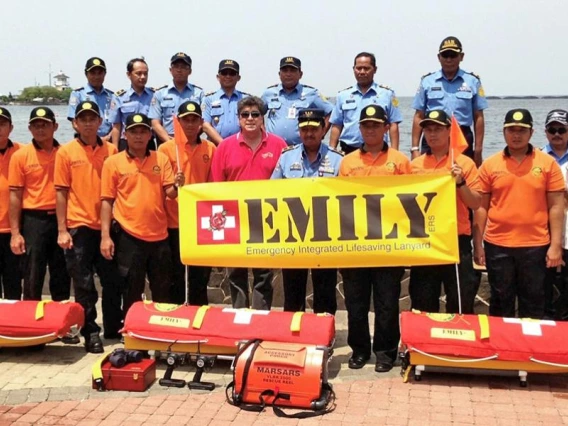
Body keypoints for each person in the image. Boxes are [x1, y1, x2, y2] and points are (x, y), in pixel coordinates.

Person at [338, 105, 411, 373]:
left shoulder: (401, 161)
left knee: (386, 303)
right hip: (355, 245)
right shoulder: (347, 162)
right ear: (360, 129)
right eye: (366, 125)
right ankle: (359, 350)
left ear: (385, 128)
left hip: (388, 245)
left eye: (376, 125)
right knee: (355, 304)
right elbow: (337, 203)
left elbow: (410, 202)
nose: (370, 130)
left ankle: (385, 352)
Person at [473, 109, 565, 319]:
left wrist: (555, 246)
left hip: (536, 245)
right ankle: (501, 349)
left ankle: (531, 351)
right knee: (500, 302)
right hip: (498, 245)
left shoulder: (547, 163)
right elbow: (481, 207)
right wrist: (478, 245)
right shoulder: (490, 164)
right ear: (504, 132)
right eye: (511, 130)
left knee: (534, 304)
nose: (516, 135)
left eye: (522, 130)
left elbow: (556, 207)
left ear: (531, 133)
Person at [55, 101, 121, 352]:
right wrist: (62, 229)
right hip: (78, 226)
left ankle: (114, 326)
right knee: (83, 284)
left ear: (100, 121)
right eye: (83, 119)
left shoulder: (112, 151)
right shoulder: (66, 152)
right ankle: (91, 331)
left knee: (113, 281)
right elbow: (61, 192)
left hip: (108, 226)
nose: (88, 123)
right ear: (75, 123)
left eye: (92, 118)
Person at [100, 113, 182, 315]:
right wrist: (105, 236)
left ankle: (160, 334)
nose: (138, 136)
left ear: (150, 134)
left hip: (159, 236)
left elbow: (169, 193)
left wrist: (179, 185)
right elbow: (106, 200)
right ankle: (132, 336)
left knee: (162, 290)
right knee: (131, 290)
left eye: (143, 131)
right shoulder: (113, 162)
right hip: (129, 236)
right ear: (125, 135)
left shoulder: (160, 159)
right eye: (133, 132)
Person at [211, 96, 287, 309]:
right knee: (236, 272)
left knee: (263, 273)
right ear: (238, 119)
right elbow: (217, 186)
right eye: (245, 115)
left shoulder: (279, 144)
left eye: (255, 114)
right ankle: (240, 313)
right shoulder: (225, 147)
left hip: (267, 218)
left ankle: (261, 316)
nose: (250, 118)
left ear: (263, 118)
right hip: (234, 218)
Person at [271, 109, 343, 314]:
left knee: (325, 290)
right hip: (293, 233)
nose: (309, 134)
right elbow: (271, 191)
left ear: (323, 130)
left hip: (326, 235)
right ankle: (295, 333)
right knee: (293, 290)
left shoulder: (338, 160)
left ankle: (323, 333)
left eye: (314, 129)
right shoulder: (286, 157)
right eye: (304, 129)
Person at [409, 110, 481, 314]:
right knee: (422, 303)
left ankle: (458, 345)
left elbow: (476, 203)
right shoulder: (414, 166)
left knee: (460, 302)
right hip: (425, 242)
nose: (432, 134)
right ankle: (423, 345)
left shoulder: (464, 163)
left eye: (438, 129)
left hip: (456, 241)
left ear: (449, 130)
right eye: (428, 130)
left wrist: (461, 183)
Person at [9, 108, 71, 303]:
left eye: (45, 124)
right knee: (32, 273)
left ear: (56, 126)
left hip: (62, 219)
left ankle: (62, 325)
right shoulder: (20, 156)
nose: (41, 129)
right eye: (36, 125)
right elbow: (15, 196)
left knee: (61, 272)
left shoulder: (66, 153)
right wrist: (15, 233)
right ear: (29, 128)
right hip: (34, 220)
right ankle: (31, 325)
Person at [158, 101, 216, 305]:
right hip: (174, 221)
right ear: (178, 122)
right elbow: (164, 188)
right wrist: (176, 183)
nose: (190, 124)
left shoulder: (210, 148)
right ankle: (178, 318)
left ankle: (200, 315)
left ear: (201, 122)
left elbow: (213, 184)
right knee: (176, 275)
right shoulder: (166, 149)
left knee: (200, 276)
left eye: (194, 120)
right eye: (185, 120)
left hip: (201, 223)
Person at [411, 37, 487, 166]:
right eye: (445, 55)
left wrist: (478, 149)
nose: (449, 59)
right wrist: (414, 148)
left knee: (462, 173)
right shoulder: (427, 81)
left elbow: (478, 116)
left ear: (461, 56)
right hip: (432, 133)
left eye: (453, 55)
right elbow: (419, 115)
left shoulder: (472, 81)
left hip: (462, 136)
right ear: (439, 57)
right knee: (428, 176)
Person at [330, 52, 402, 153]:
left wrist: (395, 152)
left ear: (375, 69)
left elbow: (393, 124)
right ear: (353, 69)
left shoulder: (387, 94)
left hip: (378, 151)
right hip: (348, 151)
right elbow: (337, 125)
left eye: (366, 68)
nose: (362, 72)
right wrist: (332, 150)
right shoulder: (343, 95)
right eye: (358, 68)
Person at [261, 56, 333, 146]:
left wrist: (321, 134)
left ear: (300, 74)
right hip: (273, 147)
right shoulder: (269, 93)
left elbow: (331, 112)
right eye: (285, 70)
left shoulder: (311, 93)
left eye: (293, 70)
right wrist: (262, 133)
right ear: (279, 74)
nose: (288, 74)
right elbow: (257, 113)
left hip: (300, 148)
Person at [541, 109, 568, 318]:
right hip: (544, 236)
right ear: (545, 131)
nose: (557, 134)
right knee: (545, 289)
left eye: (562, 129)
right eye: (552, 129)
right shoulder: (538, 158)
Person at [149, 52, 204, 145]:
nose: (179, 70)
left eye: (183, 67)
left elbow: (203, 121)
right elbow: (155, 123)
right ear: (170, 70)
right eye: (176, 66)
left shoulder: (198, 93)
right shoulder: (160, 94)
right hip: (166, 141)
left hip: (192, 142)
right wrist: (170, 142)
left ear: (190, 71)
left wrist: (190, 138)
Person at [109, 58, 155, 151]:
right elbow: (116, 126)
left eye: (145, 74)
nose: (142, 77)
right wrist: (115, 148)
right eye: (138, 73)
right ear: (129, 74)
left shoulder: (155, 95)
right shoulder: (119, 97)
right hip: (126, 142)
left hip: (148, 142)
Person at [0, 108, 22, 300]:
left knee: (14, 283)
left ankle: (10, 329)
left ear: (11, 127)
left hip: (14, 230)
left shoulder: (22, 152)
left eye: (2, 124)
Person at [202, 59, 249, 145]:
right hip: (216, 147)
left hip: (242, 146)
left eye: (232, 73)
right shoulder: (209, 99)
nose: (228, 76)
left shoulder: (246, 99)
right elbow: (205, 126)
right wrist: (223, 144)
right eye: (224, 73)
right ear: (218, 76)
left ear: (238, 78)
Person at [68, 57, 115, 141]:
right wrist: (94, 139)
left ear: (105, 74)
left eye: (100, 73)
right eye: (93, 73)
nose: (96, 77)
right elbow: (74, 123)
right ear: (86, 74)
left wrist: (108, 137)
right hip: (85, 141)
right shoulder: (77, 94)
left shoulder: (112, 96)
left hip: (108, 141)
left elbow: (116, 123)